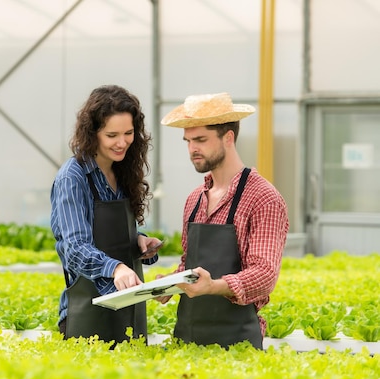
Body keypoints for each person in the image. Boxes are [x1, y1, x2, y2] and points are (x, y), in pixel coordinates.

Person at [157, 92, 289, 349]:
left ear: (228, 138)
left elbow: (264, 274)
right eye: (188, 141)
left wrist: (213, 286)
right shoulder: (195, 199)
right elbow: (189, 263)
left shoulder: (263, 198)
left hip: (237, 345)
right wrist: (168, 284)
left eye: (201, 140)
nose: (192, 148)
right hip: (187, 340)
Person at [50, 84, 162, 345]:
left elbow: (112, 236)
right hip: (88, 312)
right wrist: (115, 268)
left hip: (130, 308)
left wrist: (139, 241)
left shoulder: (121, 172)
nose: (122, 142)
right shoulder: (73, 177)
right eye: (112, 135)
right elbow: (75, 248)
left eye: (129, 133)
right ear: (93, 133)